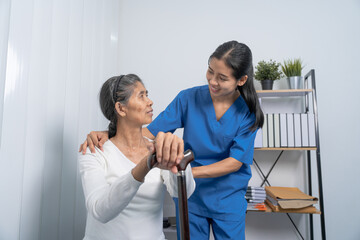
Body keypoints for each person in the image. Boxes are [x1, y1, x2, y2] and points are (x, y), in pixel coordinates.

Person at [80, 41, 264, 240]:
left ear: (241, 80)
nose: (212, 81)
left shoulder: (248, 112)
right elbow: (150, 131)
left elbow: (235, 162)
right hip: (190, 197)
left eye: (222, 78)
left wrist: (183, 172)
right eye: (210, 71)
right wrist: (111, 133)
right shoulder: (189, 98)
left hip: (227, 198)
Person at [78, 74, 195, 240]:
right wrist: (145, 166)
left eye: (147, 94)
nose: (150, 101)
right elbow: (99, 211)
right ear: (121, 109)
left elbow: (184, 192)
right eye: (141, 96)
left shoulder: (156, 148)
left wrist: (178, 162)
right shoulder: (95, 151)